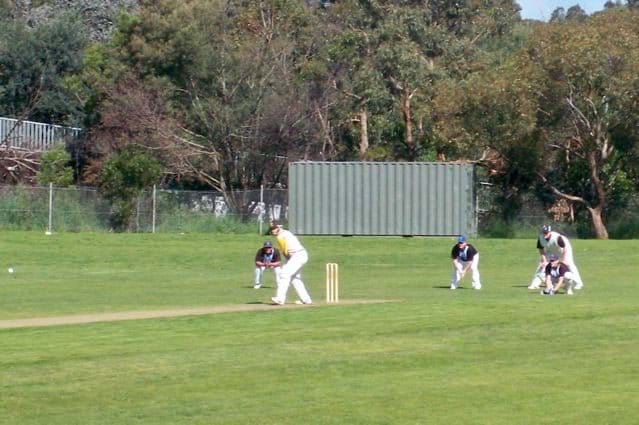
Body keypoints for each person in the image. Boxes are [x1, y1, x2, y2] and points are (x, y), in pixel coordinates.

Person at [268, 221, 313, 305]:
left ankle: (280, 299)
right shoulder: (286, 232)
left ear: (279, 227)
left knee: (284, 274)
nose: (272, 231)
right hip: (300, 255)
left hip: (298, 255)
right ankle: (306, 299)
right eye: (271, 229)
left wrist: (287, 261)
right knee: (295, 278)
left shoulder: (280, 236)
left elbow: (285, 251)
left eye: (274, 228)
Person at [528, 225, 584, 290]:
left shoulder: (557, 238)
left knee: (569, 264)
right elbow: (541, 250)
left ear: (550, 232)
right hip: (551, 249)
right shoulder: (541, 238)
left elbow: (565, 249)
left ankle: (578, 283)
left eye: (546, 233)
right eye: (544, 232)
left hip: (564, 248)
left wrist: (561, 260)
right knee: (542, 265)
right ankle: (534, 284)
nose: (545, 234)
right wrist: (544, 260)